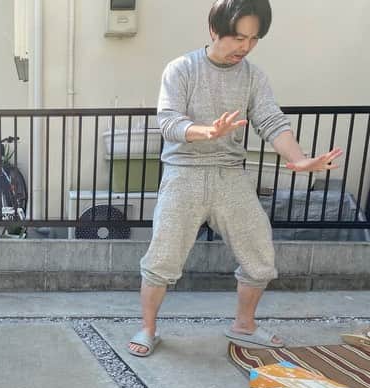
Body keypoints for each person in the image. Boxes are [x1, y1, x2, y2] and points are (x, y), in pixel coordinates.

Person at [127, 0, 343, 357]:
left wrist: (299, 159)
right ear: (215, 30)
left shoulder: (253, 76)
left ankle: (244, 325)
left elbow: (271, 120)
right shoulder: (182, 68)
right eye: (238, 37)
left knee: (260, 254)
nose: (245, 47)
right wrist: (206, 131)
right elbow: (168, 122)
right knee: (162, 257)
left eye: (254, 39)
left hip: (230, 175)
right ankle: (148, 328)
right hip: (184, 174)